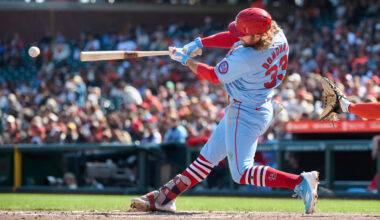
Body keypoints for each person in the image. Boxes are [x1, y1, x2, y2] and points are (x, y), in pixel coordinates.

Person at [131, 8, 318, 214]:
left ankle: (299, 182)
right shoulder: (277, 35)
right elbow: (233, 37)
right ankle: (165, 197)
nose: (238, 35)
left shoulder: (248, 56)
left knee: (241, 172)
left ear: (257, 35)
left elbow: (212, 75)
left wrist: (185, 60)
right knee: (206, 159)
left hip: (245, 112)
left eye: (244, 32)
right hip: (257, 105)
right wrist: (199, 43)